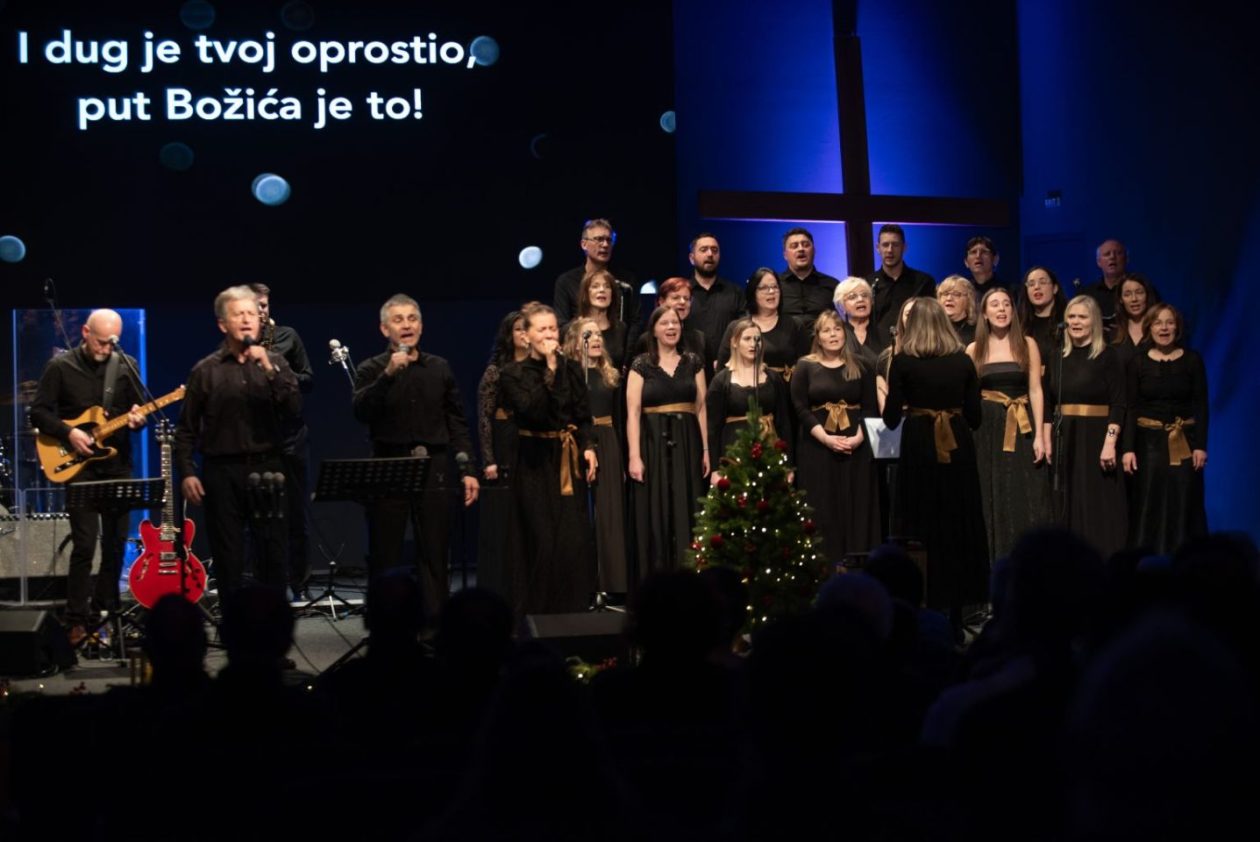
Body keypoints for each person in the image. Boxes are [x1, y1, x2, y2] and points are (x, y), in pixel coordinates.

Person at [352, 294, 480, 618]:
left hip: (434, 465)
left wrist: (467, 467)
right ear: (385, 329)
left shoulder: (439, 367)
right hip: (389, 464)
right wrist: (387, 376)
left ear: (421, 326)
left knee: (434, 552)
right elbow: (362, 412)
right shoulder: (371, 368)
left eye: (412, 319)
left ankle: (435, 626)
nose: (406, 325)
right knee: (385, 553)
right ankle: (386, 625)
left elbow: (456, 421)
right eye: (398, 320)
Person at [175, 287, 301, 598]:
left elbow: (294, 410)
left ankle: (273, 624)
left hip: (268, 469)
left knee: (272, 555)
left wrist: (269, 370)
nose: (247, 319)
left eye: (251, 314)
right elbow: (186, 428)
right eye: (238, 314)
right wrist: (188, 472)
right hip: (223, 472)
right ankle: (235, 624)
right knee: (228, 556)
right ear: (222, 324)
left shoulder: (275, 363)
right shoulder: (206, 370)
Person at [30, 309, 146, 645]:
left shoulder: (127, 366)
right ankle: (76, 620)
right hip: (79, 467)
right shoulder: (60, 367)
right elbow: (38, 411)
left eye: (112, 343)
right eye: (101, 342)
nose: (106, 349)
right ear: (85, 332)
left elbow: (139, 411)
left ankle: (103, 615)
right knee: (84, 544)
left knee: (115, 544)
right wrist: (68, 433)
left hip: (117, 464)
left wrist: (138, 419)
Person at [881, 298, 988, 625]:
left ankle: (922, 607)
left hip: (919, 444)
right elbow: (975, 418)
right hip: (957, 445)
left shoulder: (902, 362)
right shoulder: (963, 361)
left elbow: (890, 419)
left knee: (921, 521)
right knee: (957, 521)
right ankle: (958, 612)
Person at [497, 302, 598, 615]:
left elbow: (582, 415)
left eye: (553, 328)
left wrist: (588, 446)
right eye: (541, 329)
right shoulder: (512, 373)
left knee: (572, 539)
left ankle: (573, 612)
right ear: (526, 336)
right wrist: (551, 371)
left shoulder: (571, 368)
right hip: (533, 462)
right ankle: (538, 614)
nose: (549, 335)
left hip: (566, 460)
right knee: (541, 540)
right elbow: (533, 410)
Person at [967, 287, 1052, 561]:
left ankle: (1030, 559)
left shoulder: (1027, 344)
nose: (1002, 309)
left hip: (1023, 425)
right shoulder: (974, 349)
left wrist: (1040, 436)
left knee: (1025, 489)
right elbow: (969, 396)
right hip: (987, 430)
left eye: (1006, 304)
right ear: (984, 313)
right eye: (995, 304)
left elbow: (1036, 390)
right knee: (991, 490)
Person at [791, 310, 880, 563]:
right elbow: (800, 408)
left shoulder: (862, 365)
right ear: (818, 337)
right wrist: (827, 439)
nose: (833, 335)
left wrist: (858, 438)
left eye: (837, 329)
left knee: (856, 504)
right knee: (823, 505)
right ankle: (824, 567)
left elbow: (870, 407)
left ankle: (858, 564)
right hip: (818, 447)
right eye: (827, 330)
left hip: (856, 446)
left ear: (845, 333)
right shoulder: (805, 366)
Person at [627, 306, 709, 581]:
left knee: (688, 506)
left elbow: (701, 408)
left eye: (675, 322)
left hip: (688, 441)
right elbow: (633, 412)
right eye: (665, 323)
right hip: (652, 442)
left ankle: (690, 577)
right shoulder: (641, 364)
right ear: (654, 329)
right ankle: (657, 581)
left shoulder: (693, 362)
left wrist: (706, 450)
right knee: (657, 509)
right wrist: (634, 456)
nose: (672, 327)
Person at [1043, 295, 1128, 559]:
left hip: (1096, 436)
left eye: (1082, 316)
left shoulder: (1108, 356)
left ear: (1094, 322)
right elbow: (1047, 403)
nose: (1076, 322)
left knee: (1096, 499)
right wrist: (1046, 439)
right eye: (1071, 317)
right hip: (1064, 436)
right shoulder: (1057, 356)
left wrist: (1110, 443)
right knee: (1065, 499)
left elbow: (1119, 403)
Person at [1122, 304, 1208, 554]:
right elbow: (1131, 407)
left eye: (1169, 322)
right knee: (1149, 500)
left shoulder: (1192, 360)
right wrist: (1127, 449)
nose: (1164, 328)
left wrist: (1201, 446)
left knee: (1184, 499)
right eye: (1158, 323)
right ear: (1149, 328)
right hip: (1148, 444)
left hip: (1185, 442)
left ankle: (1185, 558)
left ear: (1177, 327)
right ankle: (1145, 559)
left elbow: (1201, 405)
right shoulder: (1138, 362)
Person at [249, 283, 316, 602]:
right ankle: (263, 583)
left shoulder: (288, 336)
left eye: (264, 305)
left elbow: (309, 379)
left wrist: (277, 370)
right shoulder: (241, 344)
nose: (261, 311)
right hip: (256, 438)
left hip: (291, 436)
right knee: (259, 516)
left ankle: (300, 583)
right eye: (255, 306)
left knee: (296, 514)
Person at [564, 318, 628, 597]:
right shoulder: (569, 375)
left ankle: (610, 583)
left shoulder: (610, 375)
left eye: (599, 334)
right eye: (589, 334)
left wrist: (623, 456)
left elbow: (621, 418)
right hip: (579, 441)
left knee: (609, 512)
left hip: (608, 439)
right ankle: (583, 581)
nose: (597, 339)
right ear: (576, 341)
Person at [475, 311, 528, 598]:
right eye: (519, 329)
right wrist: (489, 460)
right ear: (509, 335)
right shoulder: (496, 371)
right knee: (504, 519)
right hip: (505, 441)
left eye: (528, 328)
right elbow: (484, 418)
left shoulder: (537, 368)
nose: (524, 334)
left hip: (530, 442)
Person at [706, 317, 791, 473]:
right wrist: (715, 469)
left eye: (757, 339)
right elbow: (713, 428)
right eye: (747, 339)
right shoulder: (721, 381)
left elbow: (784, 423)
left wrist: (788, 465)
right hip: (733, 454)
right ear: (734, 342)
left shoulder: (773, 378)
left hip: (769, 453)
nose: (753, 344)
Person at [718, 267, 806, 381]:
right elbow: (722, 370)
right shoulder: (736, 327)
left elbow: (806, 369)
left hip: (785, 389)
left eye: (775, 287)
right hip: (744, 389)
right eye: (764, 288)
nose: (771, 291)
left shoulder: (795, 325)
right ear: (753, 292)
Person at [553, 218, 639, 326]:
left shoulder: (626, 280)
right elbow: (561, 324)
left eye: (609, 240)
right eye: (599, 239)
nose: (605, 245)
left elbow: (636, 321)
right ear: (584, 244)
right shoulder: (566, 281)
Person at [867, 223, 936, 350]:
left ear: (904, 247)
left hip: (916, 349)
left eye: (895, 245)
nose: (890, 250)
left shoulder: (924, 282)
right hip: (876, 352)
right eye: (885, 245)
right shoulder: (867, 283)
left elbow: (931, 320)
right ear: (878, 248)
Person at [684, 232, 745, 370]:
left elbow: (743, 331)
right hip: (688, 370)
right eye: (704, 250)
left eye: (714, 250)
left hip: (727, 369)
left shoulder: (735, 292)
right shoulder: (682, 294)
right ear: (692, 258)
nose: (710, 254)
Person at [632, 277, 707, 365]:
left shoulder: (700, 339)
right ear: (661, 301)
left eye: (686, 298)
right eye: (676, 298)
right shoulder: (646, 340)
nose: (682, 302)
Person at [572, 268, 633, 371]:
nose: (602, 290)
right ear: (585, 295)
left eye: (607, 286)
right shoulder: (575, 328)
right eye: (595, 286)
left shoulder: (621, 329)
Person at [779, 226, 841, 327]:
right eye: (794, 246)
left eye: (806, 245)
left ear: (814, 250)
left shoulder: (833, 285)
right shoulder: (776, 286)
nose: (801, 249)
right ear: (785, 255)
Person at [1017, 265, 1067, 362]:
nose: (1037, 287)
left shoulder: (1066, 321)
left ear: (1055, 288)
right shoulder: (1020, 324)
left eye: (1042, 282)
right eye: (1031, 284)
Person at [1109, 272, 1160, 361]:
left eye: (1139, 293)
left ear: (1147, 295)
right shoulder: (1112, 335)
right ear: (1121, 299)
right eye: (1127, 294)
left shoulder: (1160, 331)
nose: (1134, 299)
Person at [1081, 238, 1128, 327]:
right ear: (1099, 262)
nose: (1112, 257)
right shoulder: (1087, 294)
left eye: (1118, 253)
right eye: (1107, 254)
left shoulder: (1141, 290)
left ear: (1126, 259)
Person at [833, 276, 883, 359]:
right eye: (852, 297)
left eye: (864, 295)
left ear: (871, 302)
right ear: (841, 307)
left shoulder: (884, 332)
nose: (860, 299)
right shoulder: (836, 334)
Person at [937, 275, 978, 345]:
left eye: (956, 294)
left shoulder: (978, 331)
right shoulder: (932, 327)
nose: (949, 298)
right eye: (945, 294)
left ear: (969, 300)